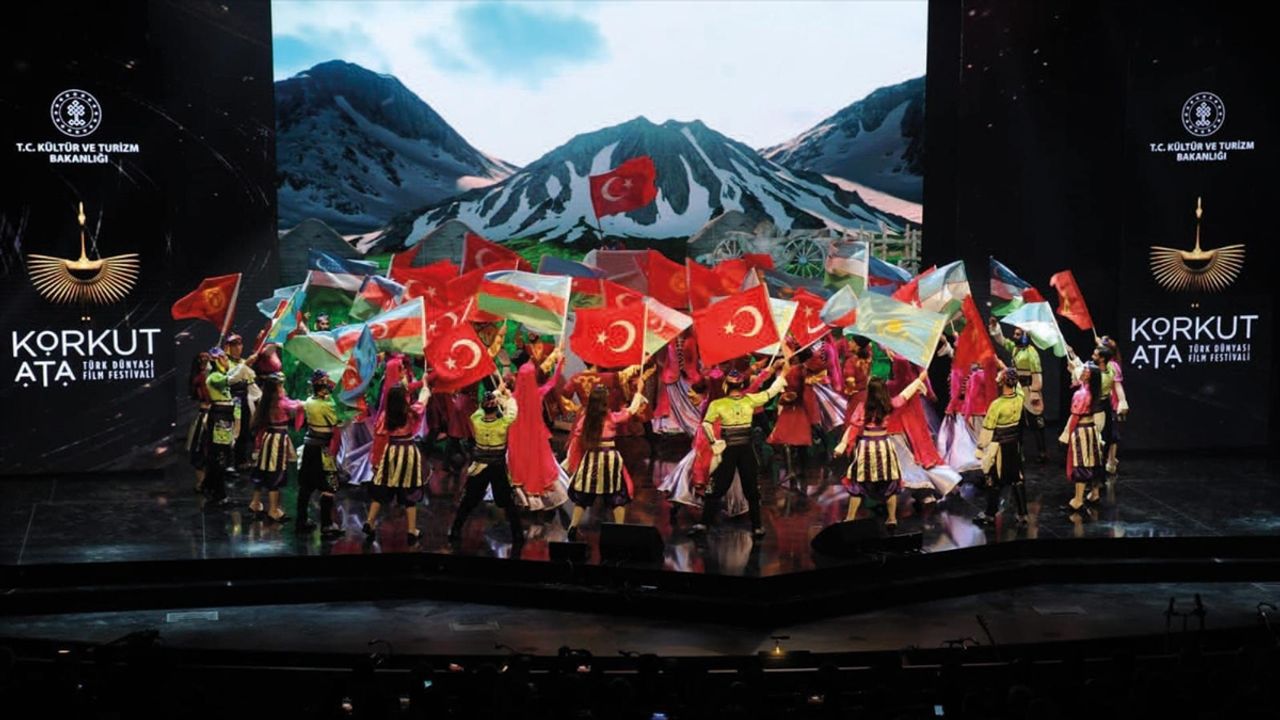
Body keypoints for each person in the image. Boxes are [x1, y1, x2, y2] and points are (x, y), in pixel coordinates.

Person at [689, 363, 788, 538]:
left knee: (716, 488)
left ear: (726, 386)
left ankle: (704, 524)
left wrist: (714, 442)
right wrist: (782, 375)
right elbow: (771, 392)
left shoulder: (718, 404)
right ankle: (757, 527)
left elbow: (706, 424)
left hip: (728, 450)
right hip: (745, 450)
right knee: (751, 488)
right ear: (741, 385)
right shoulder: (750, 400)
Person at [834, 372, 928, 528]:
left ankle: (851, 518)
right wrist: (919, 380)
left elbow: (853, 427)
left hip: (867, 448)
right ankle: (891, 518)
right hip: (884, 447)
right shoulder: (888, 405)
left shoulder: (863, 407)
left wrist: (843, 444)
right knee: (889, 483)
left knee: (859, 483)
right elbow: (905, 395)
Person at [563, 383, 649, 540]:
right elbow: (630, 411)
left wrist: (571, 459)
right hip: (609, 459)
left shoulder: (586, 419)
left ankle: (573, 526)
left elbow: (577, 437)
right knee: (617, 494)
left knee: (584, 496)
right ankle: (619, 530)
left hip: (591, 458)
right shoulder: (611, 418)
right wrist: (638, 392)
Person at [448, 386, 522, 546]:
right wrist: (506, 396)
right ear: (496, 409)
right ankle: (518, 535)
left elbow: (481, 410)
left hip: (479, 466)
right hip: (497, 467)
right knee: (507, 502)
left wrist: (494, 393)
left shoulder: (476, 420)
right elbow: (512, 409)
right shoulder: (504, 422)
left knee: (468, 500)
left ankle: (455, 529)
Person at [365, 383, 430, 543]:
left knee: (382, 488)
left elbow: (379, 437)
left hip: (391, 451)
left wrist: (375, 461)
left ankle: (369, 522)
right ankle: (411, 530)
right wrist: (425, 386)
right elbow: (423, 400)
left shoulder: (385, 416)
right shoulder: (411, 412)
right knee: (410, 490)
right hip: (408, 451)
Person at [974, 368, 1027, 527]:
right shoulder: (1020, 398)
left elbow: (988, 429)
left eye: (999, 375)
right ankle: (1023, 514)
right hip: (1014, 446)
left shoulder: (997, 405)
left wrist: (980, 448)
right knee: (1017, 478)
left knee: (993, 479)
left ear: (1003, 381)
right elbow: (1019, 387)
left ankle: (990, 515)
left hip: (999, 447)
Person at [990, 320, 1048, 463]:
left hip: (1029, 390)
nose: (1014, 337)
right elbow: (1003, 341)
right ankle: (1018, 452)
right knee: (1017, 423)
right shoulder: (1016, 349)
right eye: (1015, 334)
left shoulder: (1031, 353)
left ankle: (1042, 452)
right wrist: (995, 327)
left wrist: (1035, 391)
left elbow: (1037, 374)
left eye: (1017, 334)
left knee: (1036, 423)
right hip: (1018, 389)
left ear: (1025, 336)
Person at [248, 372, 300, 522]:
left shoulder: (265, 401)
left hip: (267, 438)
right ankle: (273, 510)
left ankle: (255, 503)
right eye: (280, 386)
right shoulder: (280, 403)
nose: (283, 388)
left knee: (262, 471)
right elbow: (297, 405)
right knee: (275, 473)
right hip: (277, 440)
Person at [297, 369, 343, 537]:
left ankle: (301, 520)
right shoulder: (326, 405)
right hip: (323, 449)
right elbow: (336, 421)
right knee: (329, 484)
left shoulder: (309, 401)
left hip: (309, 447)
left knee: (306, 485)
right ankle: (327, 524)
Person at [1062, 361, 1104, 513]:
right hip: (1092, 429)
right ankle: (1095, 493)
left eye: (1084, 370)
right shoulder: (1094, 390)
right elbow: (1078, 374)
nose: (1081, 371)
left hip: (1081, 430)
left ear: (1088, 376)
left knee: (1081, 463)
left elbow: (1075, 416)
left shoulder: (1081, 394)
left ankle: (1078, 500)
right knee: (1094, 462)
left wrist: (1066, 433)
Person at [200, 347, 237, 508]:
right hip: (219, 418)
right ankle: (217, 492)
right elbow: (230, 379)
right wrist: (245, 365)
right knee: (219, 456)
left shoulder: (220, 375)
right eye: (223, 358)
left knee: (222, 454)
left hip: (225, 417)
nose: (226, 360)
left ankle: (212, 488)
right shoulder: (214, 377)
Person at [185, 351, 212, 494]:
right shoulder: (199, 378)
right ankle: (202, 482)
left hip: (214, 415)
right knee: (199, 450)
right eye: (203, 358)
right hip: (204, 416)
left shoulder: (214, 375)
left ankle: (209, 481)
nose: (206, 360)